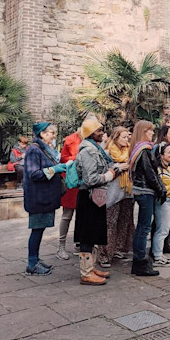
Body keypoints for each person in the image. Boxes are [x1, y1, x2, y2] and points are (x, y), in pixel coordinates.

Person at [74, 118, 114, 285]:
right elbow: (91, 179)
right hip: (89, 197)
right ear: (91, 133)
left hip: (95, 197)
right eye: (98, 130)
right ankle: (86, 273)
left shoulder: (94, 149)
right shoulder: (88, 151)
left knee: (93, 234)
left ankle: (91, 267)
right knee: (87, 235)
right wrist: (110, 175)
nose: (102, 132)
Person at [23, 123, 67, 275]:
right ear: (42, 134)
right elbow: (33, 174)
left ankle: (35, 259)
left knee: (39, 230)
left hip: (43, 197)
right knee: (36, 230)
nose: (54, 135)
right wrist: (54, 169)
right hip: (38, 199)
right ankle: (32, 263)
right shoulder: (34, 150)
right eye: (51, 133)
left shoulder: (43, 149)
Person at [129, 120, 165, 276]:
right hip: (145, 191)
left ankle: (139, 260)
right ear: (144, 132)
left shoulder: (139, 149)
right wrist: (161, 189)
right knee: (144, 228)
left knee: (142, 227)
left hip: (141, 190)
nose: (152, 133)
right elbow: (150, 174)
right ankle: (140, 262)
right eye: (150, 131)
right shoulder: (143, 150)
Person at [98, 126, 134, 267]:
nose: (127, 139)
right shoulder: (107, 152)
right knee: (110, 224)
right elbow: (103, 172)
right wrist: (119, 168)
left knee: (124, 222)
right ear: (116, 137)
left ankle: (119, 248)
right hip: (112, 193)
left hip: (126, 192)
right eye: (124, 137)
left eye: (127, 136)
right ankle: (105, 254)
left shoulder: (129, 151)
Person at [150, 124, 170, 255]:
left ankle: (162, 247)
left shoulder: (169, 163)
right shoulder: (158, 164)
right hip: (164, 198)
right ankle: (156, 252)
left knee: (165, 227)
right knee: (161, 226)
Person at [153, 142, 170, 267]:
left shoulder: (169, 167)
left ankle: (159, 253)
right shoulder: (158, 170)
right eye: (168, 152)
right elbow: (160, 188)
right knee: (162, 230)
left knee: (165, 229)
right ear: (161, 155)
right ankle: (157, 256)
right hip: (164, 202)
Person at [58, 127, 83, 260]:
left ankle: (79, 244)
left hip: (83, 181)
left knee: (82, 215)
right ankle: (61, 246)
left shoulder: (89, 139)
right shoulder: (71, 140)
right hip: (71, 180)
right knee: (67, 215)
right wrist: (79, 157)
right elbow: (63, 158)